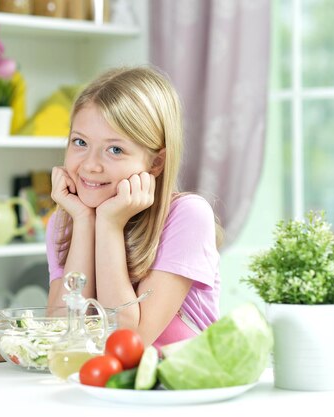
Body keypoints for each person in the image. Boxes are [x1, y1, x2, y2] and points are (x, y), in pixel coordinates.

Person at [46, 66, 221, 349]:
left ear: (155, 163)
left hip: (176, 387)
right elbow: (60, 333)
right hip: (102, 386)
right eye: (80, 142)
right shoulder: (65, 222)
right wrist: (83, 222)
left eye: (115, 149)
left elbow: (128, 342)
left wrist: (109, 225)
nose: (90, 165)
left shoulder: (187, 216)